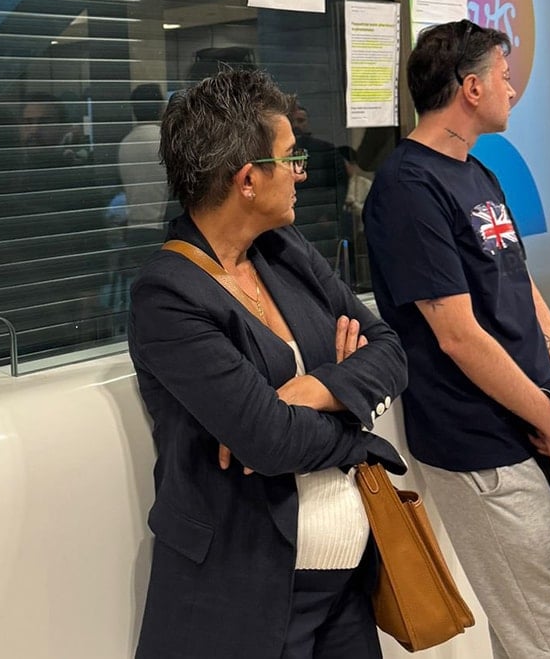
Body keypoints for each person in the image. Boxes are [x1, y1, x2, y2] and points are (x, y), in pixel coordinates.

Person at [129, 68, 408, 659]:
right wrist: (356, 429)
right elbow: (271, 443)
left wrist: (318, 389)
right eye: (290, 158)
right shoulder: (168, 295)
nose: (302, 171)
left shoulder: (283, 250)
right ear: (248, 179)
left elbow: (389, 349)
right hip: (243, 599)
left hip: (345, 593)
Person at [363, 19, 550, 658]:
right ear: (471, 87)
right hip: (481, 443)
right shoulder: (408, 187)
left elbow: (524, 289)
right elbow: (458, 336)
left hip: (537, 421)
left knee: (541, 624)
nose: (512, 90)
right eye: (504, 77)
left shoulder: (477, 174)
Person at [117, 83, 171, 227]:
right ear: (161, 108)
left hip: (134, 227)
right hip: (161, 227)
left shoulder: (125, 143)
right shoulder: (166, 141)